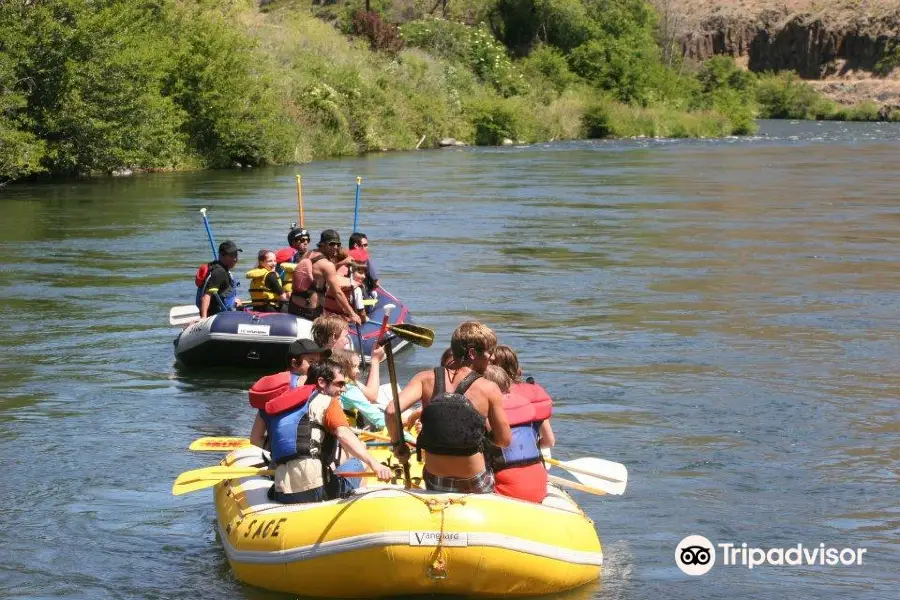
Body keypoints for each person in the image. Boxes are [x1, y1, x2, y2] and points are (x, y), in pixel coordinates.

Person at [386, 321, 511, 494]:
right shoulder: (488, 388)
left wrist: (397, 445)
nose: (493, 358)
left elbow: (391, 411)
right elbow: (504, 441)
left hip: (435, 477)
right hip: (474, 480)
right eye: (490, 352)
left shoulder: (424, 379)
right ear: (473, 353)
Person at [262, 359, 392, 503]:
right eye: (340, 384)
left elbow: (259, 439)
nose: (343, 389)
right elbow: (344, 434)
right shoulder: (327, 402)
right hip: (313, 490)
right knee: (359, 463)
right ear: (322, 382)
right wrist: (375, 464)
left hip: (282, 491)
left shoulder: (288, 404)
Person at [481, 363, 551, 503]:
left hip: (508, 491)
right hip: (539, 485)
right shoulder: (527, 407)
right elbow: (549, 441)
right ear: (507, 384)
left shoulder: (486, 416)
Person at [249, 339, 332, 449]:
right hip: (308, 456)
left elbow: (255, 439)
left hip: (277, 458)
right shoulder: (312, 387)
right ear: (294, 363)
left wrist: (277, 451)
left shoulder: (272, 390)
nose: (317, 367)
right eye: (312, 362)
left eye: (319, 362)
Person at [288, 230, 360, 324]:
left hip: (293, 305)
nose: (335, 247)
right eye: (331, 244)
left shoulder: (308, 254)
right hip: (310, 311)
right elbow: (337, 293)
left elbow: (319, 271)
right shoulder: (327, 265)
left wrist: (342, 263)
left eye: (338, 244)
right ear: (322, 244)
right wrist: (352, 314)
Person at [492, 345, 555, 450]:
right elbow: (549, 441)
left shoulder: (491, 396)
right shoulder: (534, 396)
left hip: (500, 460)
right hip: (533, 458)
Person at [331, 348, 386, 431]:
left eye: (358, 366)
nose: (358, 371)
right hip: (348, 433)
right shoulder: (349, 389)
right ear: (344, 368)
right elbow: (375, 416)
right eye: (354, 367)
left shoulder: (333, 385)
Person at [197, 240, 243, 319]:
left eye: (236, 255)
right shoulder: (219, 272)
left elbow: (222, 292)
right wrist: (203, 318)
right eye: (231, 256)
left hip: (223, 310)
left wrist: (234, 300)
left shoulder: (220, 268)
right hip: (218, 316)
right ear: (222, 255)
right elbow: (207, 295)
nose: (235, 259)